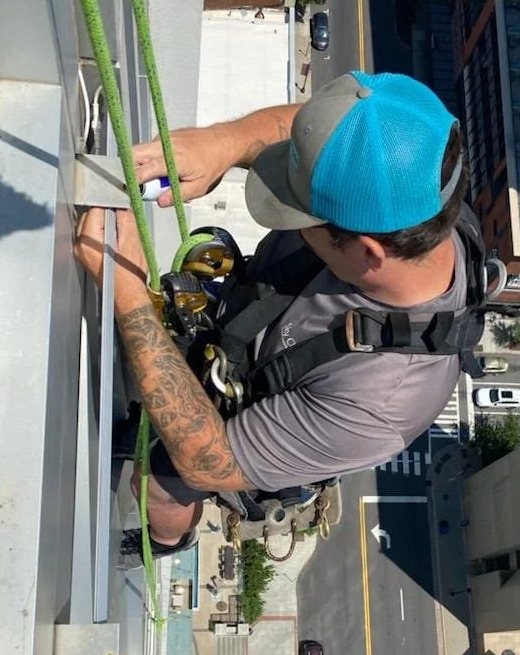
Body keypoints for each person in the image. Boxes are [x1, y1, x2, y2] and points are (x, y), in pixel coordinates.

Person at [75, 71, 472, 568]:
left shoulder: (380, 402)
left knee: (157, 480)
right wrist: (224, 143)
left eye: (302, 219)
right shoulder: (416, 178)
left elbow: (209, 460)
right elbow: (316, 130)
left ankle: (172, 540)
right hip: (244, 333)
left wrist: (126, 290)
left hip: (250, 424)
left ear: (368, 252)